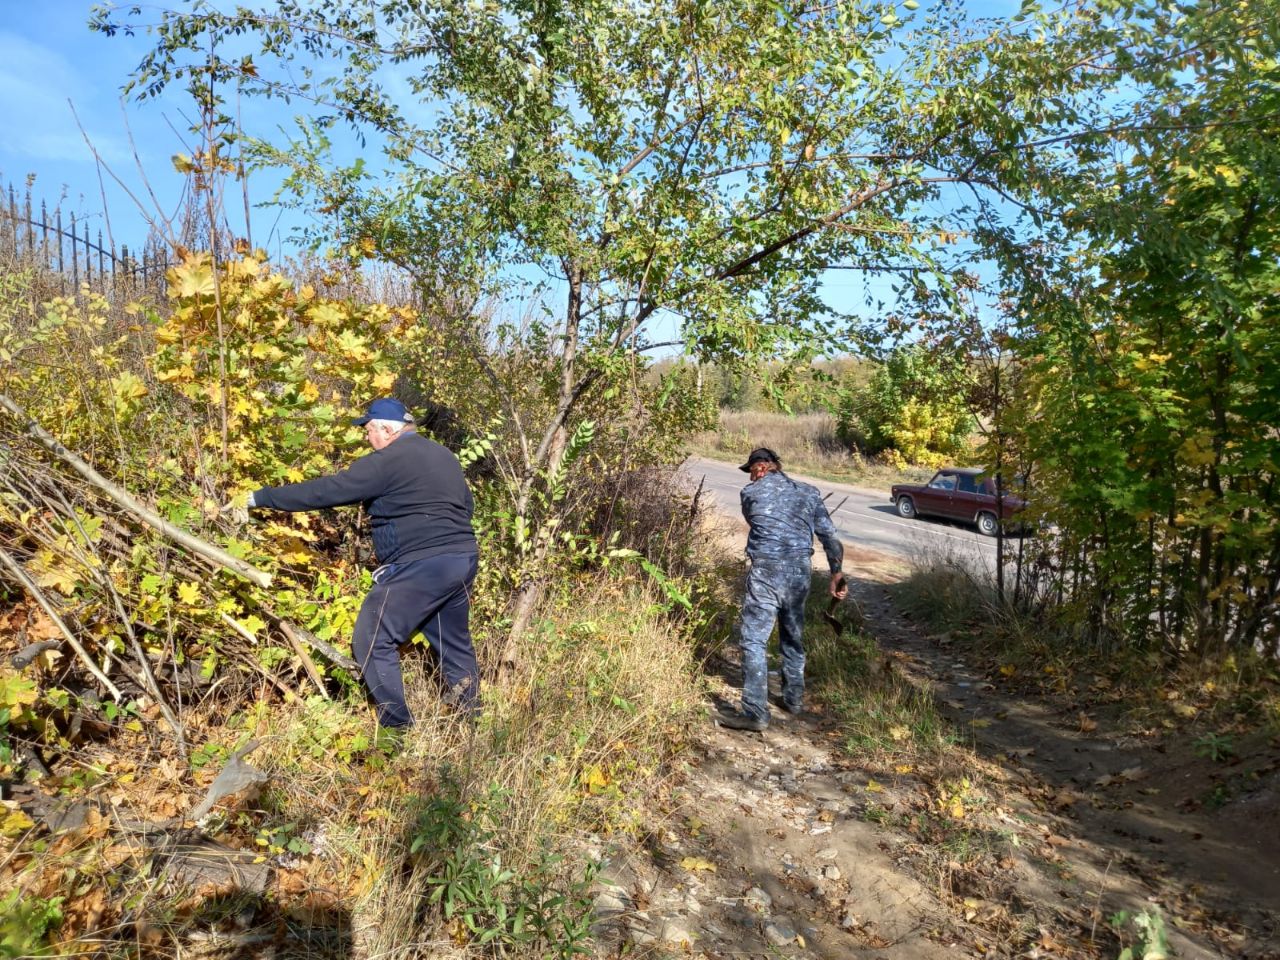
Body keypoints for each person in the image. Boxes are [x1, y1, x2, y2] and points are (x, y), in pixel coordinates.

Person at [247, 397, 480, 733]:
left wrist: (262, 497)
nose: (367, 438)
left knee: (371, 637)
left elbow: (326, 491)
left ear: (388, 429)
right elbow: (466, 505)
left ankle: (396, 729)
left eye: (369, 430)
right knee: (453, 643)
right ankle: (471, 725)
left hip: (422, 564)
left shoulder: (387, 461)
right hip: (461, 558)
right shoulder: (443, 456)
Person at [717, 447, 847, 732]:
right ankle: (794, 699)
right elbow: (829, 537)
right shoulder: (810, 492)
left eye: (751, 471)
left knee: (753, 640)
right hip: (800, 572)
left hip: (766, 570)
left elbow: (756, 522)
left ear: (760, 468)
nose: (750, 477)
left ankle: (755, 714)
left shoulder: (749, 495)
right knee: (792, 632)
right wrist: (836, 573)